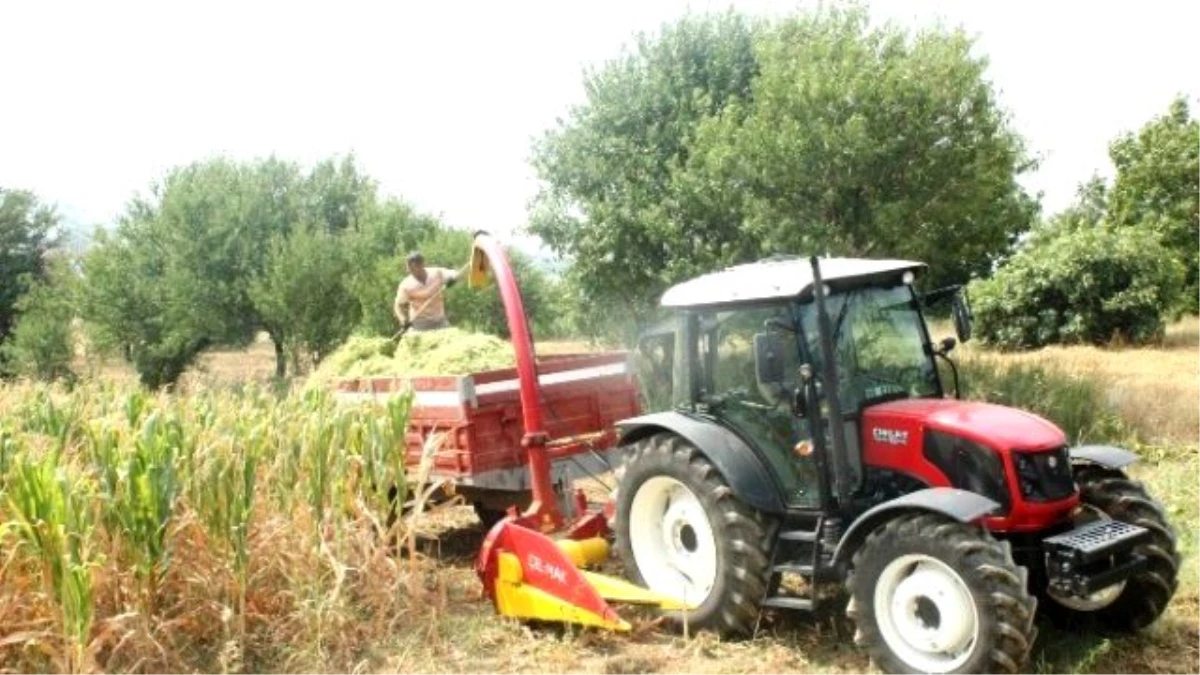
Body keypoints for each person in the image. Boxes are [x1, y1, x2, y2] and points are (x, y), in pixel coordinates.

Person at [393, 252, 460, 333]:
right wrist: (403, 319)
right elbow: (398, 305)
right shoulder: (406, 285)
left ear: (422, 265)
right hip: (419, 324)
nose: (411, 271)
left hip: (439, 321)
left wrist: (454, 279)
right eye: (409, 269)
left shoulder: (437, 273)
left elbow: (457, 275)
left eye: (414, 268)